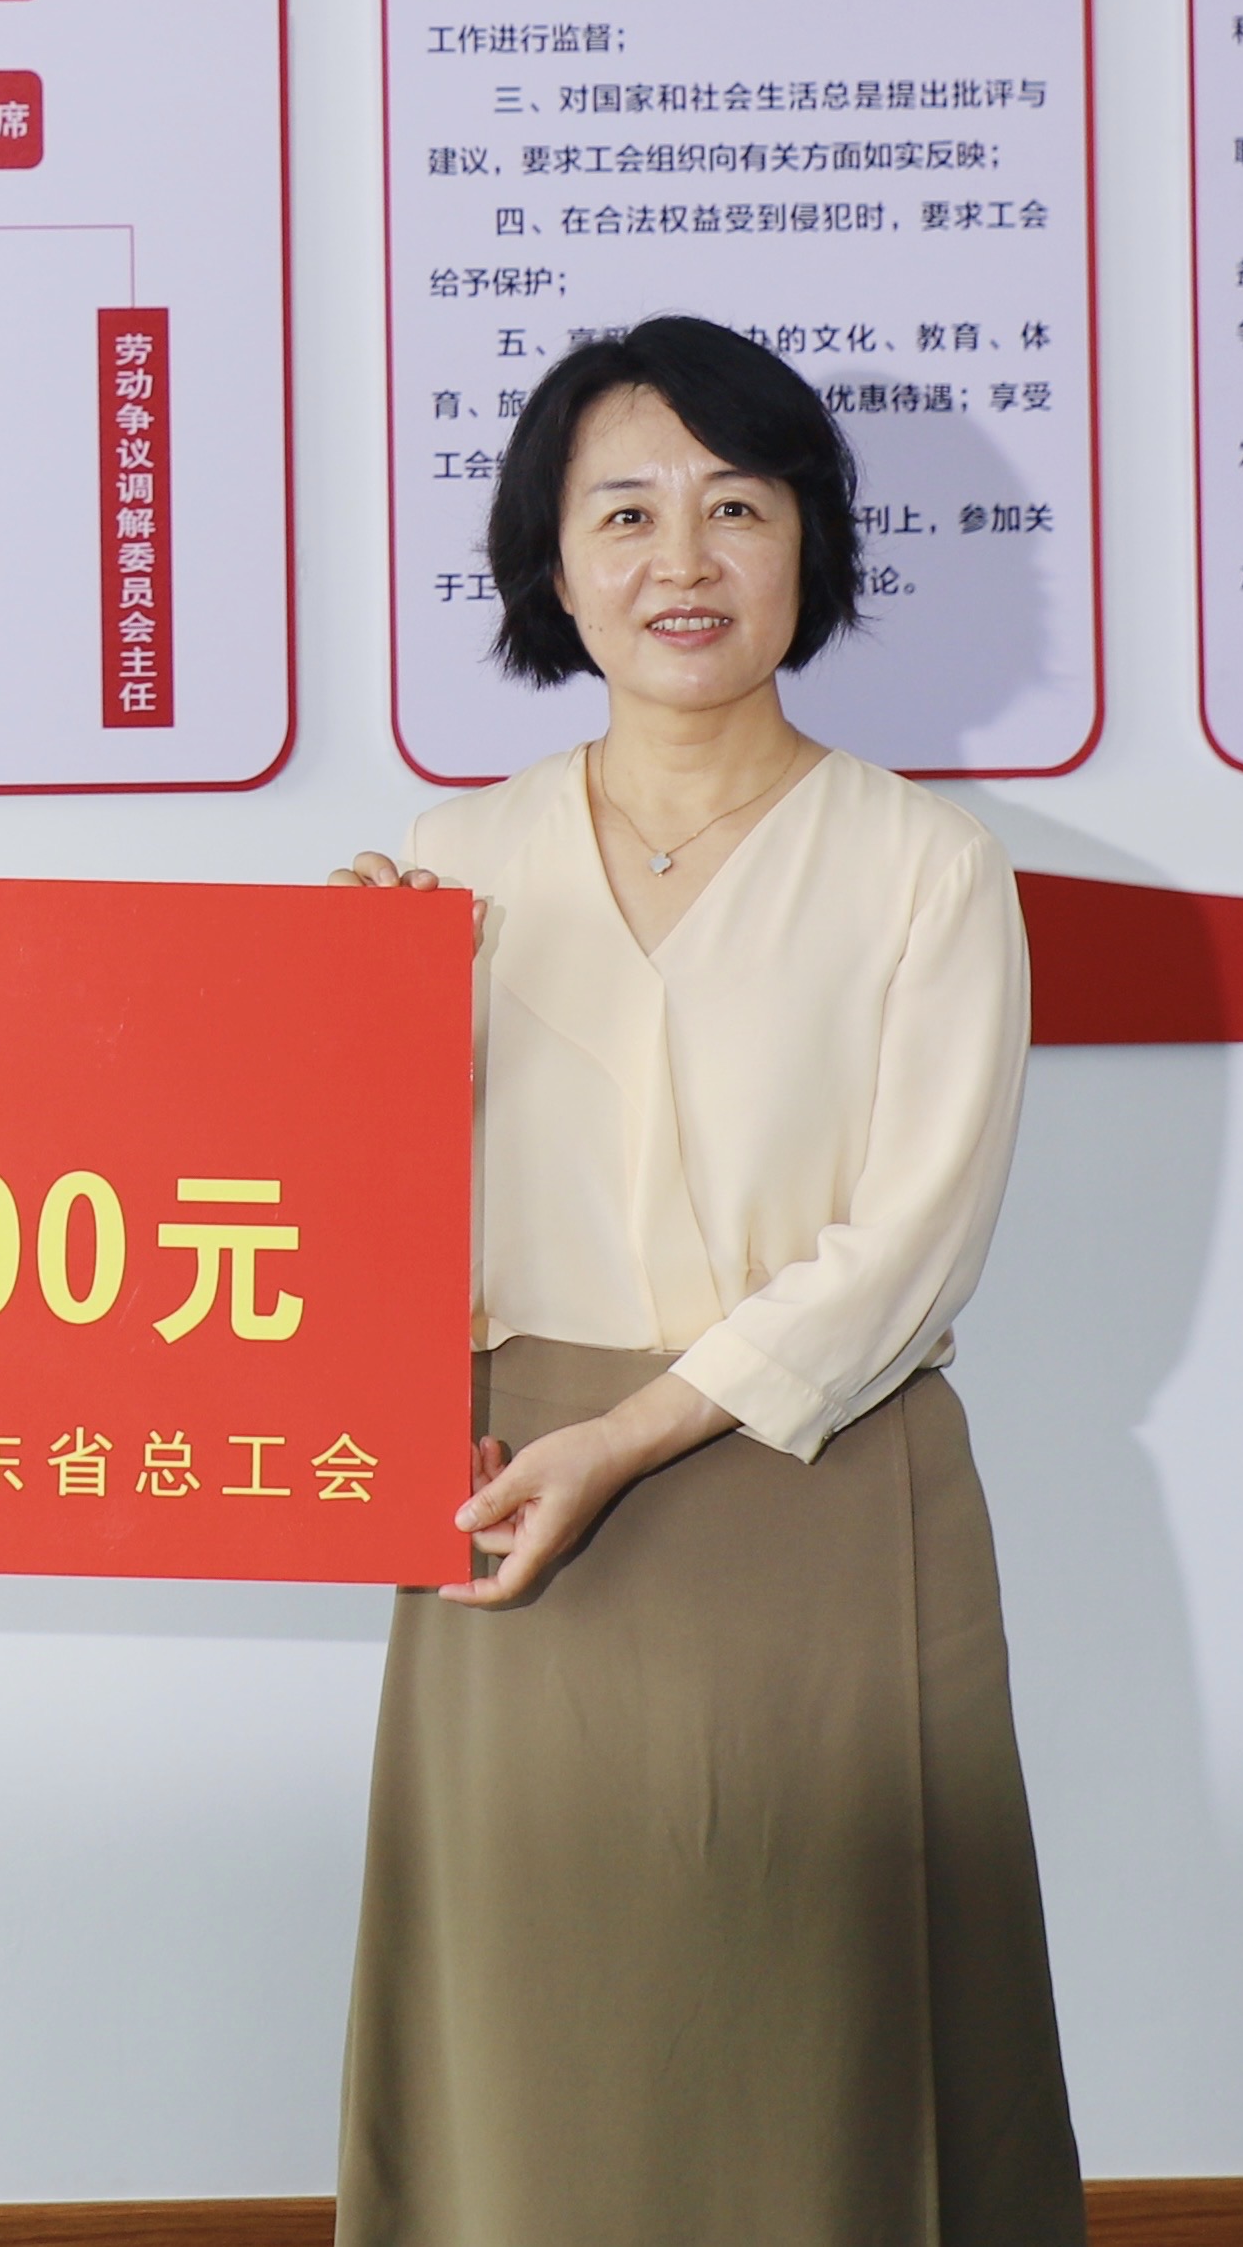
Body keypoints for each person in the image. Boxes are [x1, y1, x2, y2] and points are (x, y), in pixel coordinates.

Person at [324, 316, 1084, 2247]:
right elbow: (355, 1228)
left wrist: (627, 1438)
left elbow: (909, 1243)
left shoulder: (924, 865)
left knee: (826, 2045)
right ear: (549, 560)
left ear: (810, 544)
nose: (683, 560)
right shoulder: (445, 861)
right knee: (535, 2040)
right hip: (507, 1491)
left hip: (818, 1496)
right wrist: (329, 1020)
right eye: (625, 513)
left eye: (736, 507)